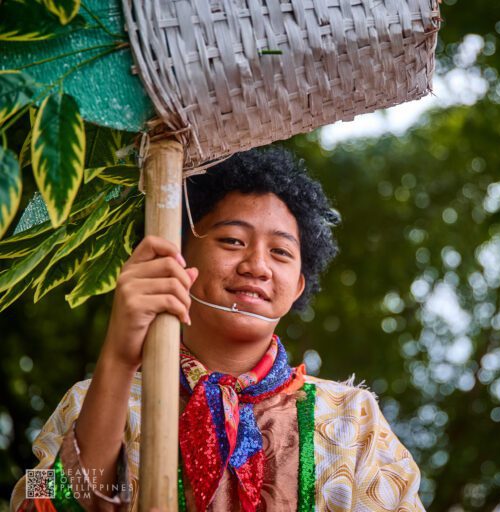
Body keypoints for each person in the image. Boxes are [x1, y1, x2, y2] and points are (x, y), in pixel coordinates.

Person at [11, 147, 424, 511]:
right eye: (231, 241)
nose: (257, 267)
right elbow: (34, 500)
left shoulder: (353, 419)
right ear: (178, 255)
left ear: (298, 285)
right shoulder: (89, 399)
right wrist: (118, 360)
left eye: (280, 252)